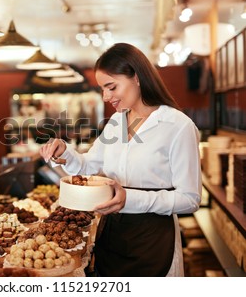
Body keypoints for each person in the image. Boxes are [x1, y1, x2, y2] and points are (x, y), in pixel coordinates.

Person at [40, 43, 202, 276]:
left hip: (154, 239)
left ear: (136, 77)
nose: (106, 96)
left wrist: (129, 199)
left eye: (111, 87)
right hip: (112, 236)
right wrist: (63, 151)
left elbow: (190, 198)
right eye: (102, 89)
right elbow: (88, 167)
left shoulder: (177, 126)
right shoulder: (116, 122)